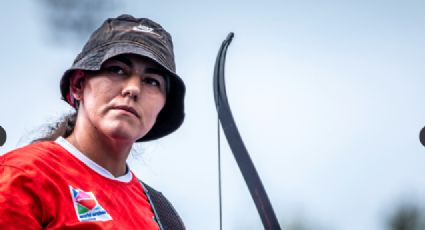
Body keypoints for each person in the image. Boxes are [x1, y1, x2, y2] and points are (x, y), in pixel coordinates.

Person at [0, 14, 186, 229]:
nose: (133, 89)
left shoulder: (162, 214)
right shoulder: (22, 174)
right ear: (78, 84)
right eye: (117, 70)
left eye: (152, 81)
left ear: (162, 106)